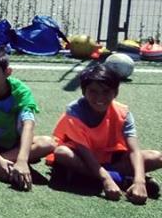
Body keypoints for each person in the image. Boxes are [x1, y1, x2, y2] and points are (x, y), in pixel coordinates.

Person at [48, 64, 161, 203]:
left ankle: (83, 179)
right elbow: (85, 154)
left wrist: (140, 181)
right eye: (93, 91)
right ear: (83, 91)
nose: (99, 97)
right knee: (61, 153)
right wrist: (107, 179)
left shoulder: (123, 112)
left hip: (111, 159)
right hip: (82, 158)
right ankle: (121, 180)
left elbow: (134, 150)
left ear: (116, 92)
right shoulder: (74, 111)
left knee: (156, 157)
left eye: (106, 91)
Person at [0, 46, 57, 190]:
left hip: (12, 143)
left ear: (7, 72)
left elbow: (28, 125)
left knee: (48, 143)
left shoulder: (21, 92)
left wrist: (22, 160)